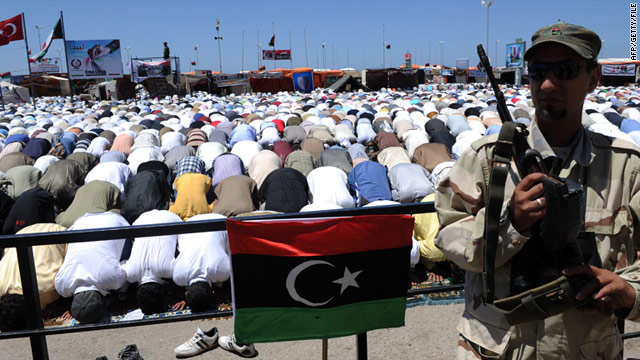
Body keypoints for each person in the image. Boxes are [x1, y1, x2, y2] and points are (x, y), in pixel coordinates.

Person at [435, 22, 640, 358]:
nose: (547, 83)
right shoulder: (487, 160)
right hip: (499, 349)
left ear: (593, 78)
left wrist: (630, 292)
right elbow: (447, 237)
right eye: (538, 71)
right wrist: (509, 223)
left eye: (565, 70)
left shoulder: (626, 167)